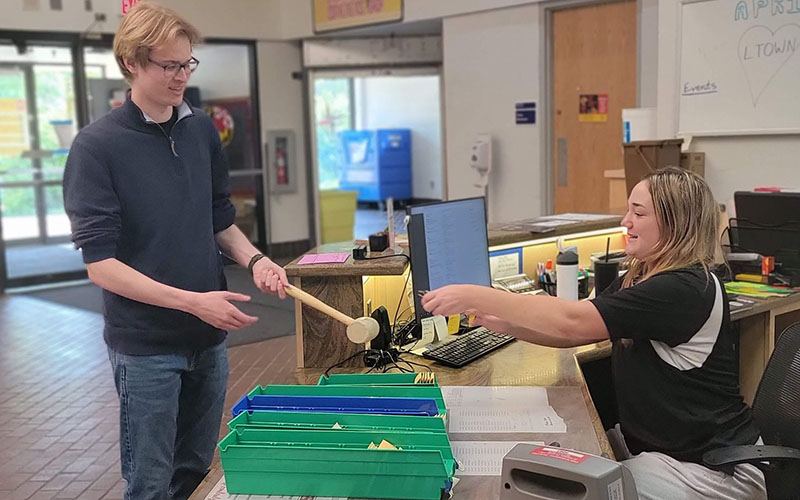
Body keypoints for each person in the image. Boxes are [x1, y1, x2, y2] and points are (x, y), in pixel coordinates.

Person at [421, 167, 766, 500]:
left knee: (563, 486)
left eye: (638, 214)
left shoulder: (683, 288)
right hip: (674, 455)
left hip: (717, 472)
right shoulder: (645, 274)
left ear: (675, 223)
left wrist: (475, 293)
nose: (625, 223)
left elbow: (573, 320)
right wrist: (505, 323)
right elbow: (579, 332)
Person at [62, 3, 287, 500]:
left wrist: (256, 259)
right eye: (168, 65)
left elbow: (218, 221)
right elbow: (100, 266)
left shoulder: (200, 130)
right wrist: (193, 300)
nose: (181, 76)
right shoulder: (96, 149)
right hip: (146, 346)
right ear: (131, 64)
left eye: (187, 64)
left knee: (193, 469)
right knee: (150, 481)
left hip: (208, 337)